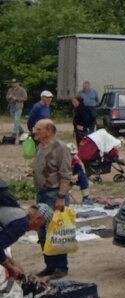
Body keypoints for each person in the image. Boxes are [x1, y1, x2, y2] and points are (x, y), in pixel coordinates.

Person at [31, 119, 71, 279]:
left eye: (38, 129)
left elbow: (66, 174)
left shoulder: (61, 148)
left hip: (54, 194)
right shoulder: (40, 147)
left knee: (57, 230)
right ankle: (50, 265)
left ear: (49, 130)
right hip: (42, 193)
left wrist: (61, 196)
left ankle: (61, 267)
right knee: (42, 230)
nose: (34, 132)